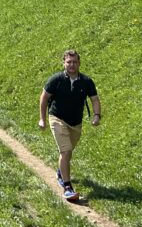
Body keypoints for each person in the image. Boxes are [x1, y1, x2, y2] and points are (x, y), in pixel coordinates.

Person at [38, 50, 101, 202]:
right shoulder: (56, 79)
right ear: (64, 63)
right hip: (57, 118)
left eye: (74, 62)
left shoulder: (86, 81)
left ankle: (61, 171)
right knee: (65, 151)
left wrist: (97, 115)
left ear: (79, 63)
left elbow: (94, 99)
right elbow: (44, 98)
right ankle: (67, 187)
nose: (71, 65)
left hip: (76, 123)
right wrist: (42, 119)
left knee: (68, 151)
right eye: (69, 62)